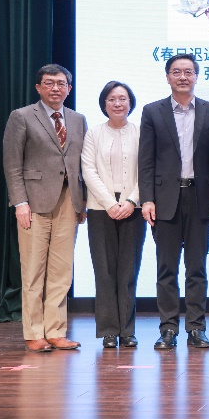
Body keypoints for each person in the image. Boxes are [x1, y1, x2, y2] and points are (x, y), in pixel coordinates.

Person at [138, 53, 209, 351]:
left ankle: (197, 328)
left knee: (197, 268)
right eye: (176, 72)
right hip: (164, 200)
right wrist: (147, 198)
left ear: (197, 76)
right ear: (167, 77)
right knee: (166, 268)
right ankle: (168, 328)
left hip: (200, 198)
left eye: (188, 71)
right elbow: (146, 160)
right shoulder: (153, 111)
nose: (183, 77)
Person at [2, 64, 88, 353]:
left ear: (69, 89)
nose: (55, 88)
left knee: (62, 271)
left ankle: (56, 331)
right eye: (49, 83)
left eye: (61, 83)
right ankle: (34, 332)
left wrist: (83, 202)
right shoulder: (22, 116)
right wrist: (20, 202)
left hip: (69, 201)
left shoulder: (78, 119)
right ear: (38, 87)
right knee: (34, 270)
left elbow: (82, 164)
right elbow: (12, 164)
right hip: (34, 202)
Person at [81, 80, 146, 349]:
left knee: (128, 270)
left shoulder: (141, 132)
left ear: (130, 103)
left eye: (122, 99)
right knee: (104, 271)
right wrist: (109, 202)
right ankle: (108, 330)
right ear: (104, 104)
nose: (117, 103)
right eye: (111, 99)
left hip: (134, 208)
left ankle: (127, 331)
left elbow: (147, 170)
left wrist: (131, 200)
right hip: (100, 209)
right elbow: (88, 170)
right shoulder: (93, 133)